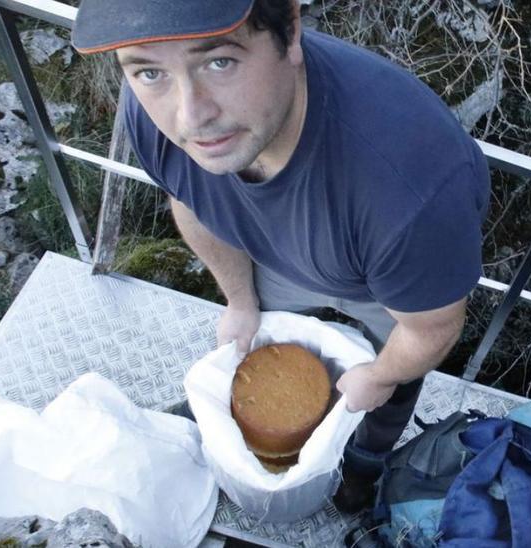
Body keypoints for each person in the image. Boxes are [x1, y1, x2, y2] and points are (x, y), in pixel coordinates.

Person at [70, 0, 490, 514]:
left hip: (384, 282)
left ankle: (365, 464)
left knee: (385, 392)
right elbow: (191, 200)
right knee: (269, 354)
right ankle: (260, 431)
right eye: (151, 70)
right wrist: (240, 301)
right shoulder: (154, 116)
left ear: (290, 31)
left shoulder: (408, 189)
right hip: (277, 251)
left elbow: (430, 328)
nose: (191, 115)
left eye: (219, 61)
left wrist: (379, 376)